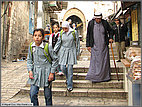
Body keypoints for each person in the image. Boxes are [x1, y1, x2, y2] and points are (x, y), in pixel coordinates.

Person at [27, 28, 58, 106]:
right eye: (35, 36)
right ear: (33, 37)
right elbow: (29, 59)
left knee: (47, 95)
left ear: (43, 37)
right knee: (33, 93)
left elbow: (55, 59)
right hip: (35, 72)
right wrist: (30, 70)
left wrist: (52, 72)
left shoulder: (48, 46)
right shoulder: (31, 46)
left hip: (46, 71)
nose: (37, 38)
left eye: (39, 36)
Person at [86, 12, 113, 82]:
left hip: (103, 45)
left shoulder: (105, 23)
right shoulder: (91, 23)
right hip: (94, 46)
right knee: (95, 61)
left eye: (100, 19)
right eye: (97, 19)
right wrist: (88, 45)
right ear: (95, 18)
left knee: (104, 61)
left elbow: (111, 30)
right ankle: (94, 77)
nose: (98, 20)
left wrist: (110, 38)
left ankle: (105, 77)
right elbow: (88, 34)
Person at [54, 21, 80, 92]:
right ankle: (68, 79)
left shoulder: (74, 32)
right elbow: (58, 43)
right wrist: (54, 51)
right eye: (63, 28)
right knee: (62, 67)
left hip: (71, 50)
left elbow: (77, 42)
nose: (64, 30)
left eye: (65, 28)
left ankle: (69, 85)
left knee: (70, 68)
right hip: (63, 51)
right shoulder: (61, 33)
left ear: (68, 27)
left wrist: (77, 52)